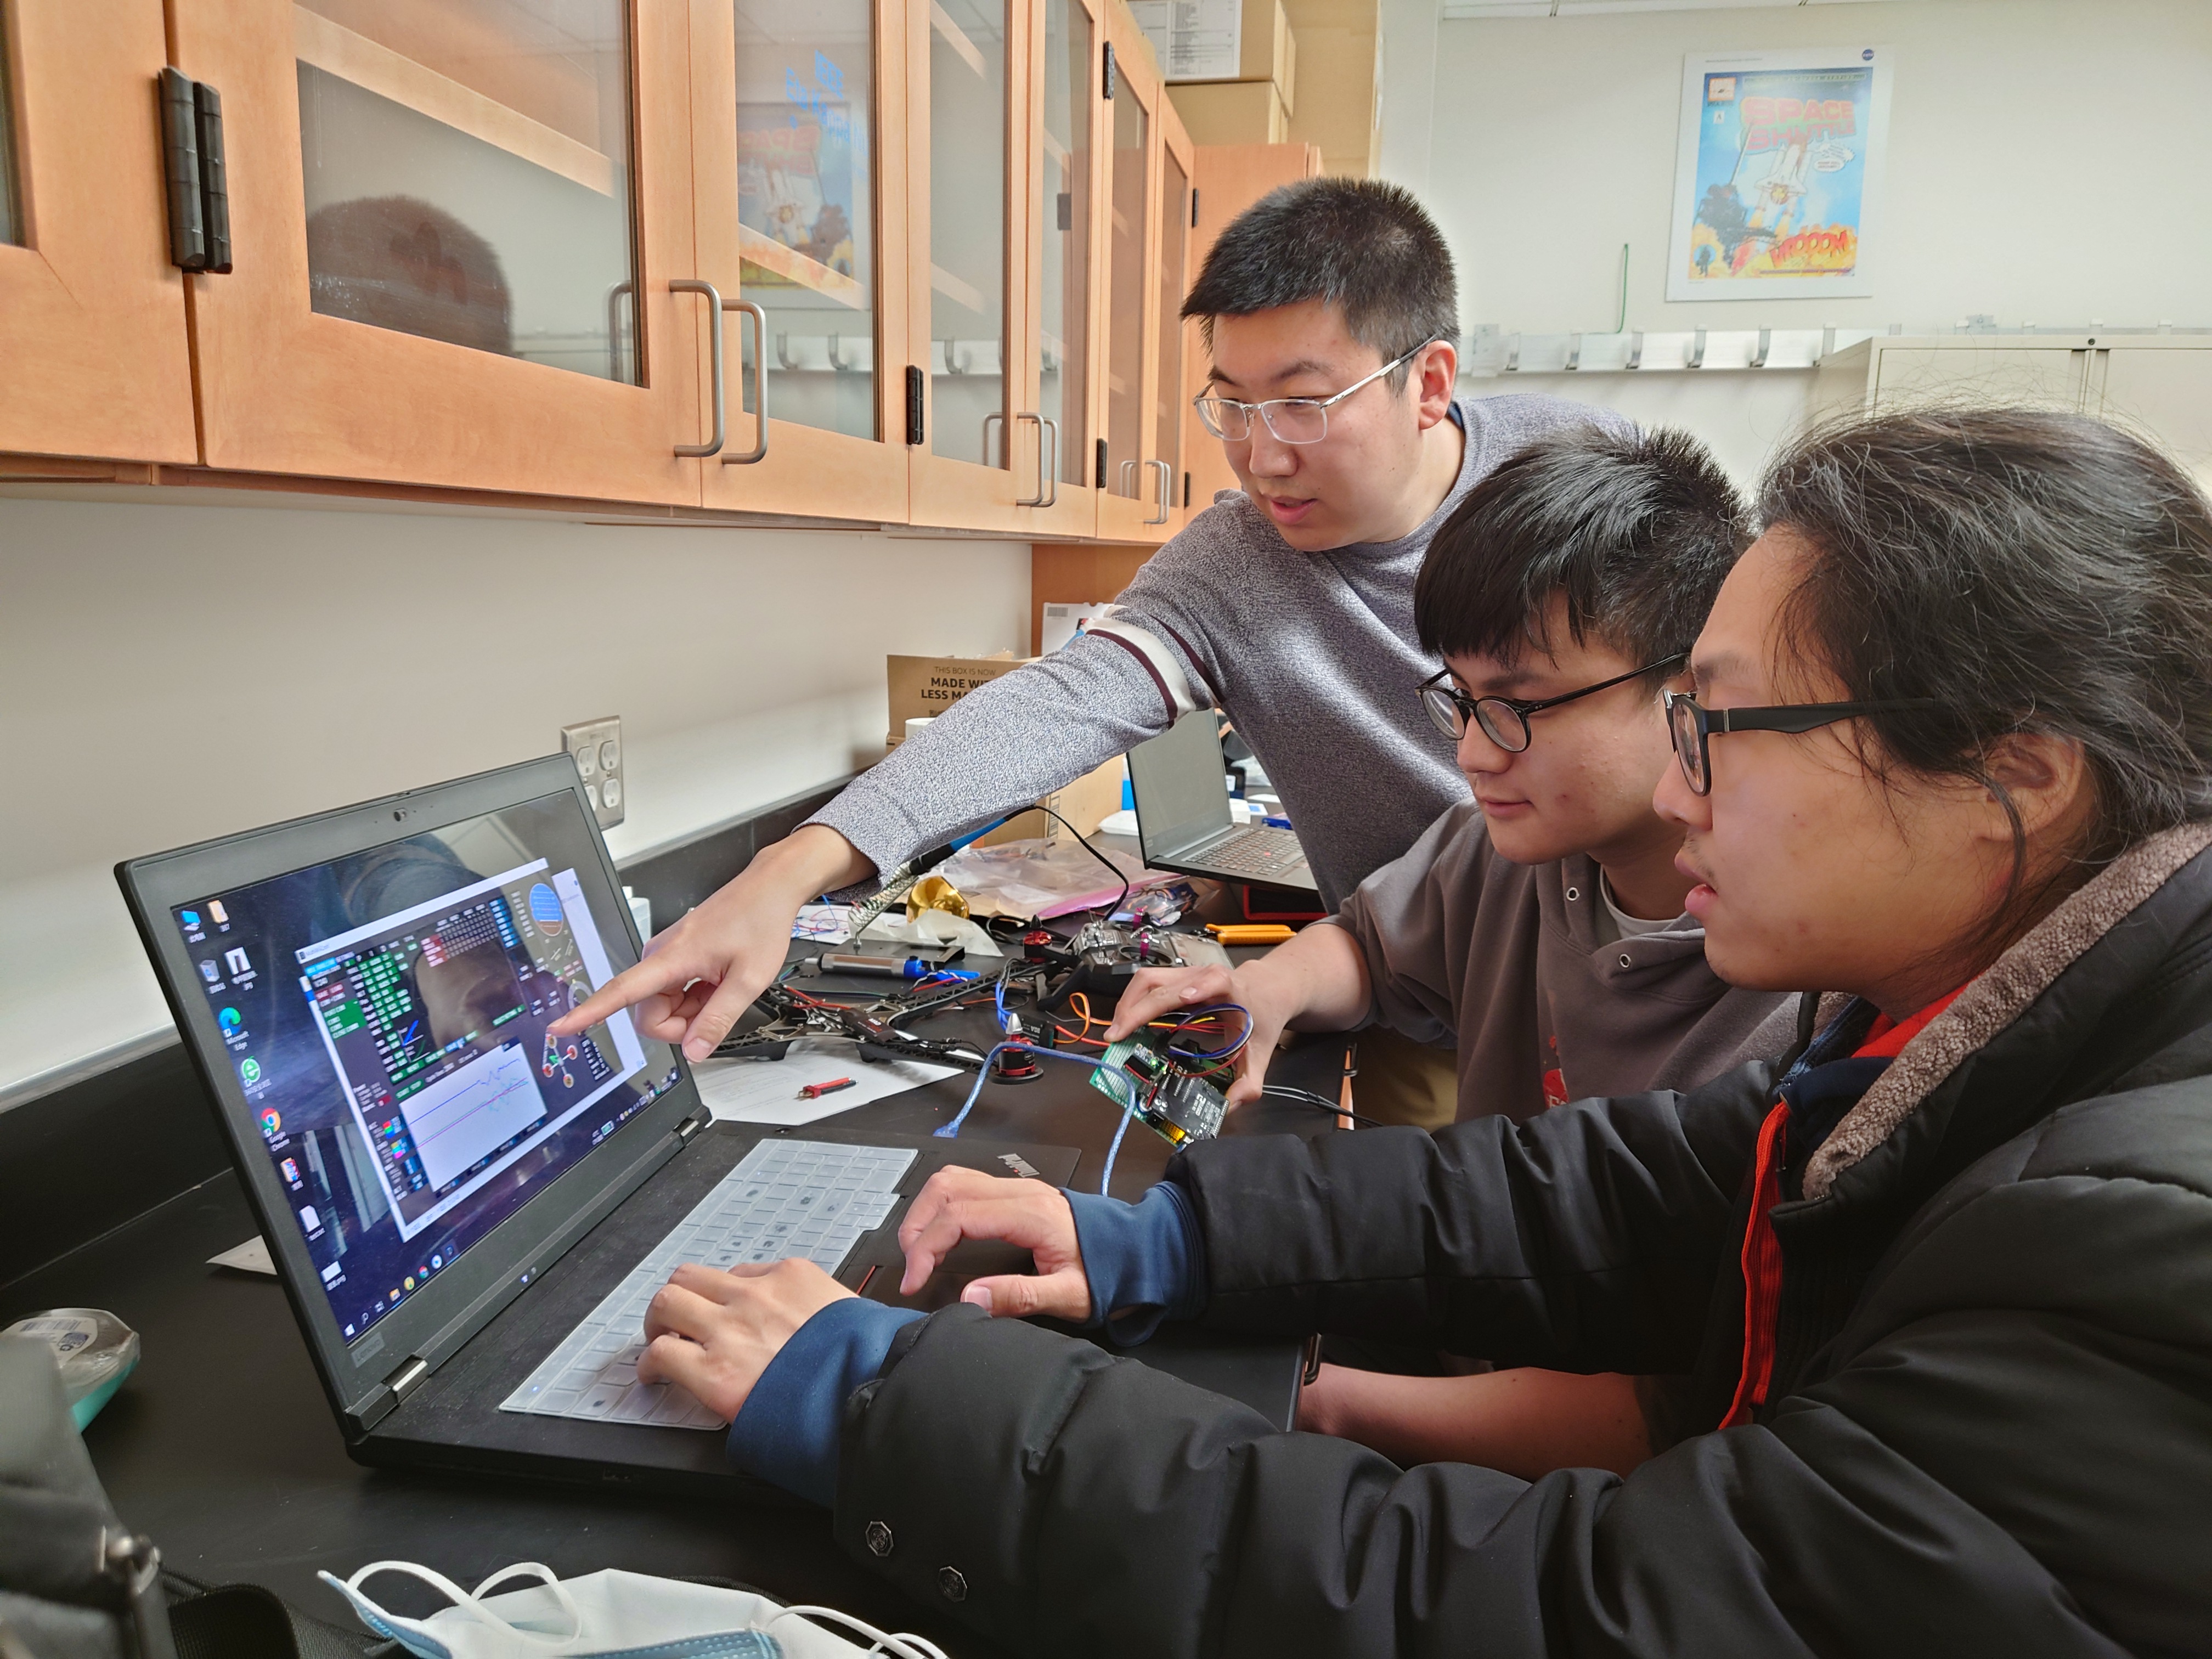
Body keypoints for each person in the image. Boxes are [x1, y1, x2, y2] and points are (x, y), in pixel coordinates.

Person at [631, 408, 2212, 1653]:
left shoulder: (2137, 1256)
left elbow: (1569, 1614)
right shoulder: (1968, 1046)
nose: (1678, 792)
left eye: (1720, 729)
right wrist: (1160, 1244)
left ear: (2015, 778)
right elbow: (1591, 1192)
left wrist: (888, 1401)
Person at [554, 180, 1628, 1105]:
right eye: (1232, 406)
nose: (1261, 457)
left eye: (1302, 407)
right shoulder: (1234, 566)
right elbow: (1049, 709)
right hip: (1417, 994)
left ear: (1429, 381)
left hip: (1644, 977)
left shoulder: (1583, 480)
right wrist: (782, 879)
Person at [1101, 422, 1796, 1475]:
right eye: (1462, 701)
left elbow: (1666, 1412)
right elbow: (1375, 946)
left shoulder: (1792, 985)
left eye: (1518, 707)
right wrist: (1265, 992)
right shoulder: (1509, 848)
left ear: (1691, 688)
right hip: (1475, 1342)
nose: (1472, 751)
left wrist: (1318, 1398)